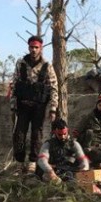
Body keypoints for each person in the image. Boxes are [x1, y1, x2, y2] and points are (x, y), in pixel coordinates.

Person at [10, 35, 59, 174]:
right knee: (19, 134)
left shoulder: (47, 66)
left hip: (39, 106)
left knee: (36, 135)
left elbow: (54, 87)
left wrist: (53, 108)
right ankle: (19, 163)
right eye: (31, 47)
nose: (33, 50)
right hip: (23, 105)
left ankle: (32, 162)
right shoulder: (21, 63)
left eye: (36, 47)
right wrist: (13, 104)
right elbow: (14, 84)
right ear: (28, 47)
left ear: (41, 48)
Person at [37, 118, 89, 182]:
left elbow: (83, 158)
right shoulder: (48, 144)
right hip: (52, 171)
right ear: (55, 132)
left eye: (65, 134)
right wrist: (50, 171)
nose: (63, 137)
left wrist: (84, 168)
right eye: (60, 135)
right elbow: (42, 160)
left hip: (68, 171)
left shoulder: (73, 144)